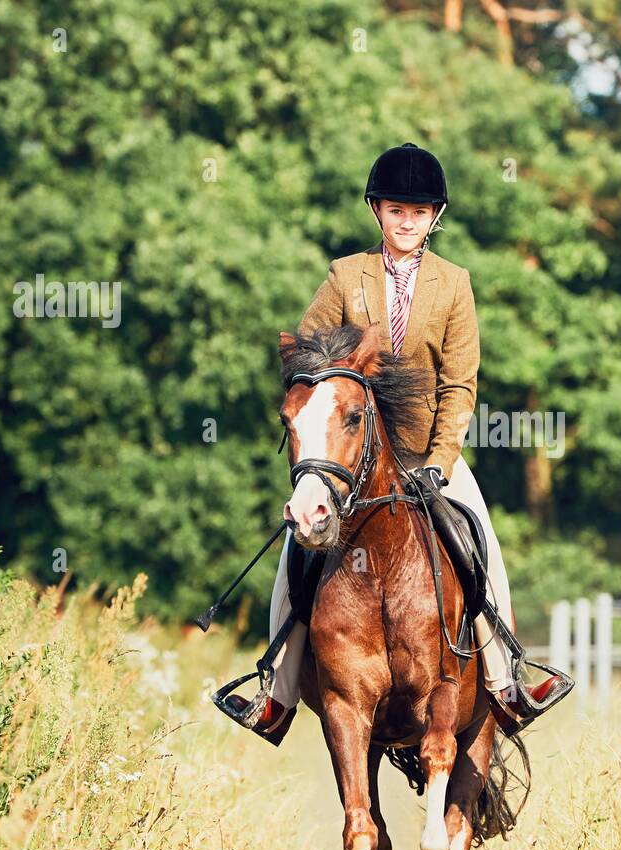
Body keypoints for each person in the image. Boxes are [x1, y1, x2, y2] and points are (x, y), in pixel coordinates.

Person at [225, 142, 569, 742]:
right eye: (395, 210)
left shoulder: (454, 284)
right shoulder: (344, 276)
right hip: (355, 458)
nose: (407, 221)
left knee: (481, 543)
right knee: (297, 551)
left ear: (434, 217)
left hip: (429, 454)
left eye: (418, 212)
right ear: (376, 212)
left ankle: (507, 677)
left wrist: (439, 463)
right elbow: (305, 356)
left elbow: (460, 384)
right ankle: (275, 693)